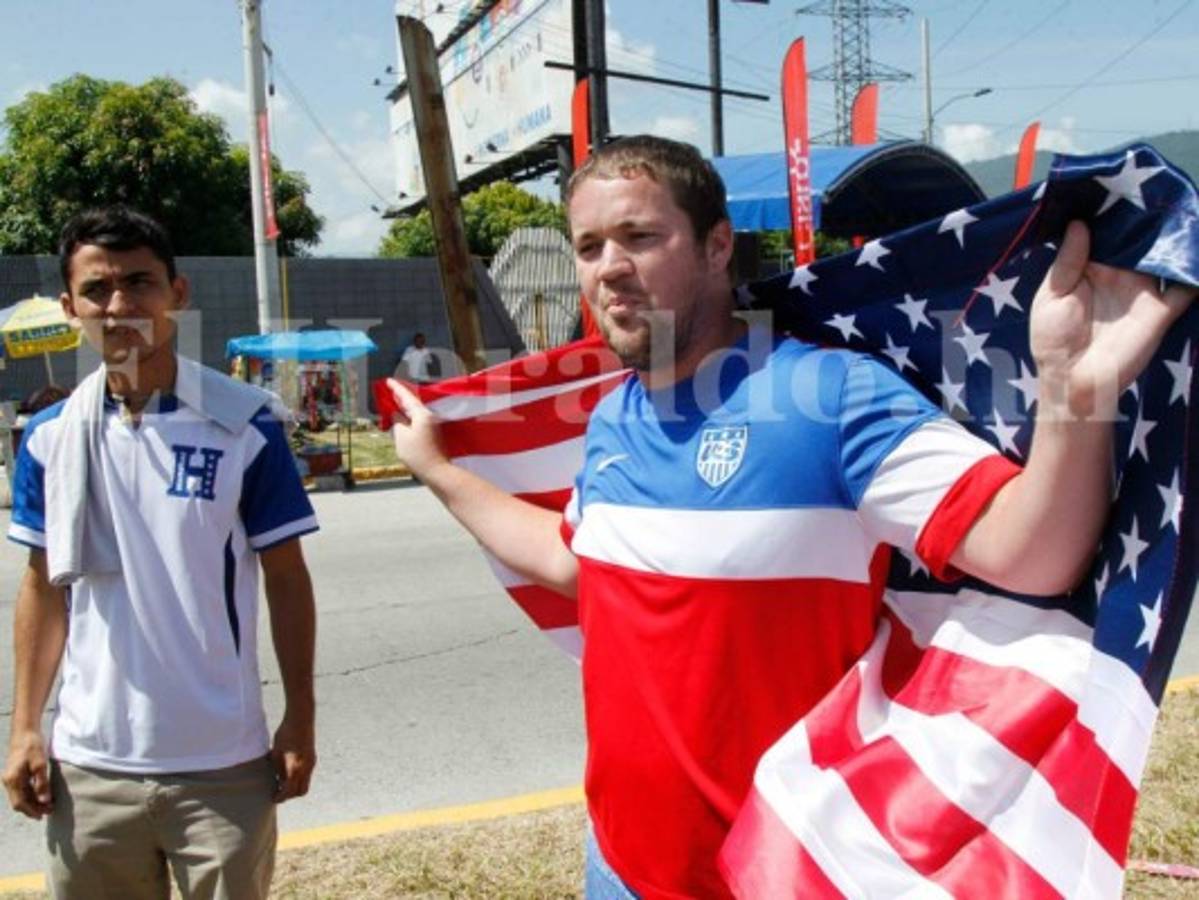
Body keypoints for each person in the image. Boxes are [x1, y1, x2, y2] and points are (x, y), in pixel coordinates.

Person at [387, 136, 1192, 898]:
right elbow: (574, 564)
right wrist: (438, 472)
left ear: (715, 246)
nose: (610, 269)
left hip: (782, 871)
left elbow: (1031, 557)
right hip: (619, 863)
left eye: (639, 235)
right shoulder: (611, 419)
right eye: (589, 245)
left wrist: (1072, 392)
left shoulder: (828, 396)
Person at [2, 206, 319, 899]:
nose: (119, 307)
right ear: (69, 307)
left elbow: (287, 578)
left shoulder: (245, 424)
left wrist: (299, 715)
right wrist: (26, 727)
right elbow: (42, 588)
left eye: (139, 283)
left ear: (177, 293)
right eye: (97, 290)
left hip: (223, 764)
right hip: (88, 768)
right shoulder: (51, 437)